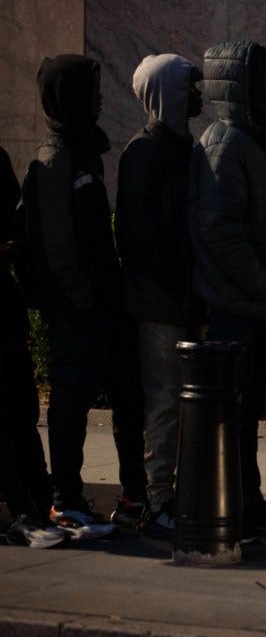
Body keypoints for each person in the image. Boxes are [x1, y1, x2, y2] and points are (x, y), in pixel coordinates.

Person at [21, 54, 147, 538]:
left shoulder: (83, 154)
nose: (99, 97)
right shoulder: (56, 160)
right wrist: (84, 301)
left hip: (102, 308)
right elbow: (59, 247)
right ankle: (65, 502)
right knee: (71, 404)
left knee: (125, 397)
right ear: (69, 96)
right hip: (78, 312)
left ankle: (133, 496)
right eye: (90, 90)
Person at [189, 40, 266, 538]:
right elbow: (218, 230)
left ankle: (247, 500)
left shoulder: (248, 142)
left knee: (247, 410)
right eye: (264, 84)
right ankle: (232, 506)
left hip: (250, 306)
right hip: (236, 307)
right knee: (232, 412)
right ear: (242, 87)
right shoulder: (225, 144)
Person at [116, 54, 205, 533]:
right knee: (165, 401)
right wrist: (176, 281)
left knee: (181, 402)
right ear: (167, 92)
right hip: (157, 305)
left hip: (182, 299)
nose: (197, 95)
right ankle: (158, 498)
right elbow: (137, 239)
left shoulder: (183, 149)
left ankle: (174, 494)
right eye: (188, 87)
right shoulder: (143, 154)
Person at [0, 141, 67, 549]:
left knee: (19, 409)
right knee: (9, 414)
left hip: (6, 310)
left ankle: (36, 504)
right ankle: (25, 507)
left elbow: (15, 222)